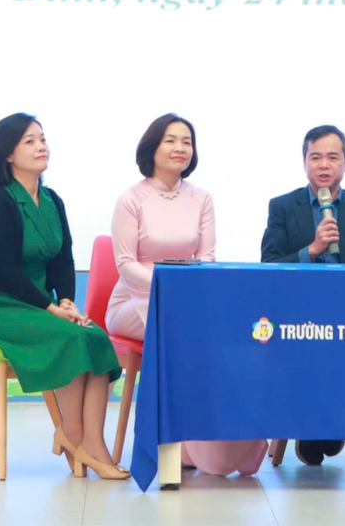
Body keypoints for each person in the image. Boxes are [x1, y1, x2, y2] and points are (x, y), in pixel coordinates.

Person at [0, 113, 129, 481]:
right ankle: (75, 436)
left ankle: (89, 441)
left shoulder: (53, 200)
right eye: (30, 141)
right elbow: (4, 272)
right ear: (8, 154)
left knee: (94, 336)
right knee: (69, 337)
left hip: (41, 304)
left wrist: (66, 300)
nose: (41, 146)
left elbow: (63, 258)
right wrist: (52, 308)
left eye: (43, 139)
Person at [104, 113, 268, 477]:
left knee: (228, 334)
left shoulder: (201, 198)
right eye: (171, 140)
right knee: (180, 334)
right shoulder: (131, 199)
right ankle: (170, 449)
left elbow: (206, 257)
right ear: (152, 147)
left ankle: (219, 442)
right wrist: (169, 288)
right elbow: (126, 263)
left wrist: (188, 295)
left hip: (186, 303)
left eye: (187, 141)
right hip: (134, 300)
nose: (180, 148)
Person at [260, 124, 345, 466]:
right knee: (306, 340)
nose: (324, 165)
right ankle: (320, 424)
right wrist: (311, 250)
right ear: (304, 163)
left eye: (332, 157)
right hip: (296, 310)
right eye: (315, 157)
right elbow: (269, 265)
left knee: (341, 340)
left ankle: (322, 423)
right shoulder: (283, 206)